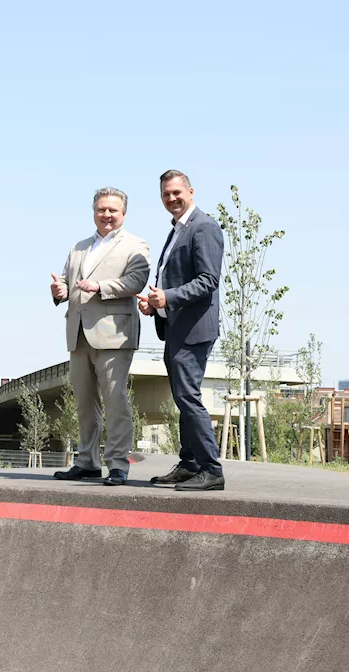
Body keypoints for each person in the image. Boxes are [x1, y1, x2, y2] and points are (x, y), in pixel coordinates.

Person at [49, 188, 150, 485]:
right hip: (78, 333)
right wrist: (60, 292)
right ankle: (87, 461)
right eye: (101, 209)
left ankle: (118, 464)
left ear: (124, 214)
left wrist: (100, 286)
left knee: (115, 400)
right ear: (93, 211)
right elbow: (67, 282)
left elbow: (137, 279)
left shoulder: (135, 245)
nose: (106, 215)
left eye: (112, 210)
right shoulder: (78, 247)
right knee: (84, 402)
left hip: (114, 334)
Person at [137, 170, 226, 491]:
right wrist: (156, 304)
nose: (171, 198)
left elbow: (208, 280)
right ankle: (189, 464)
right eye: (165, 194)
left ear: (191, 191)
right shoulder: (178, 229)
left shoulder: (204, 227)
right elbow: (174, 279)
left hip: (194, 329)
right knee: (183, 398)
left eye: (176, 192)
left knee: (188, 398)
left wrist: (169, 297)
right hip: (176, 326)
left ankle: (211, 469)